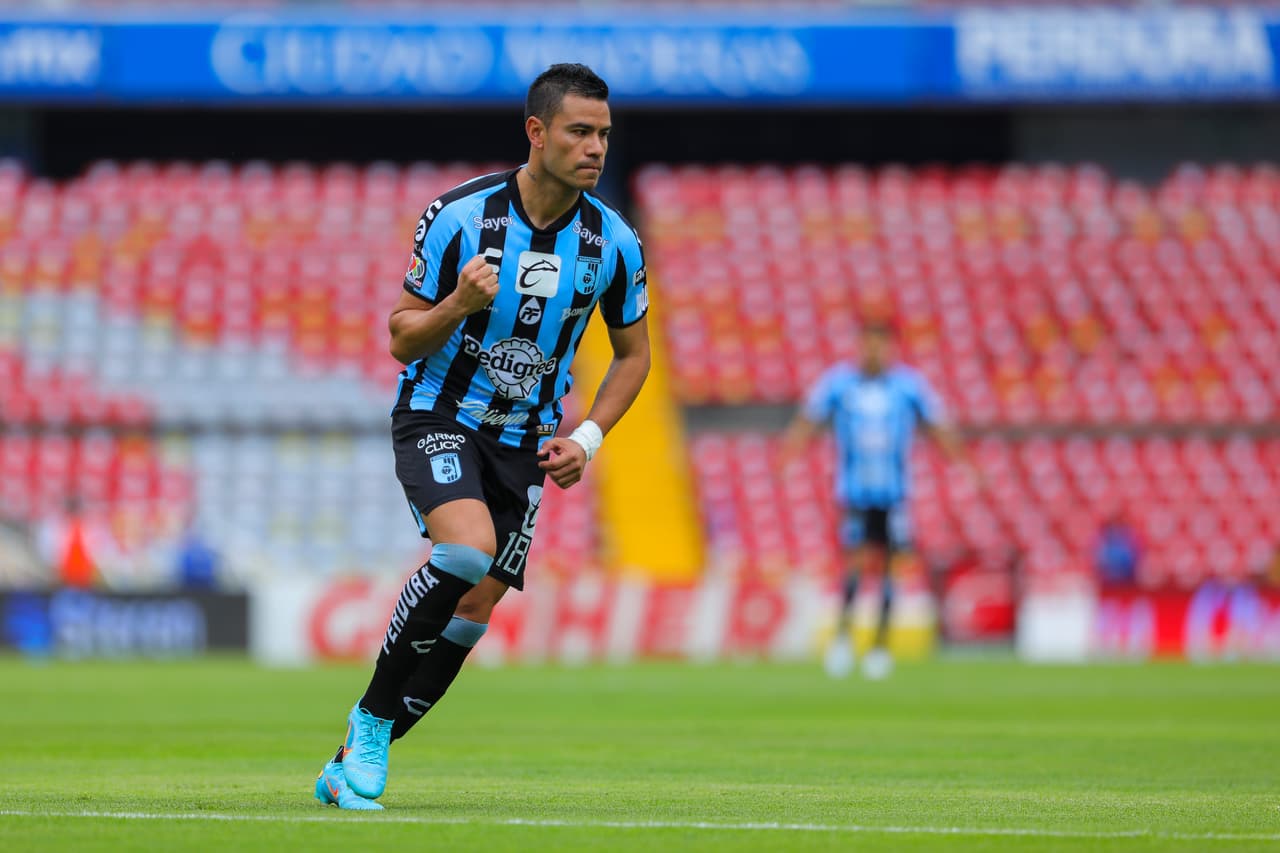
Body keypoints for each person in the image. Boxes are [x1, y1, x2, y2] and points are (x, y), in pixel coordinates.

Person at [312, 63, 651, 811]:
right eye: (579, 131)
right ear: (537, 132)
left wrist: (588, 437)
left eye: (603, 134)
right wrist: (459, 302)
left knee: (475, 608)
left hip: (524, 443)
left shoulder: (614, 243)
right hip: (439, 415)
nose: (595, 147)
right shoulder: (459, 217)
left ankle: (346, 764)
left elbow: (634, 356)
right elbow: (401, 338)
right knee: (464, 552)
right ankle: (370, 720)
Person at [783, 320, 976, 680]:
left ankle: (879, 646)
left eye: (879, 344)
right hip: (854, 492)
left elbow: (939, 425)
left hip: (894, 495)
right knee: (854, 566)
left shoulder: (908, 386)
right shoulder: (839, 382)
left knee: (890, 568)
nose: (873, 351)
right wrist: (789, 455)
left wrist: (965, 463)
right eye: (867, 343)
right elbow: (808, 419)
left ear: (890, 347)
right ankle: (843, 640)